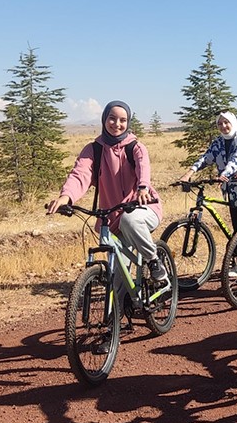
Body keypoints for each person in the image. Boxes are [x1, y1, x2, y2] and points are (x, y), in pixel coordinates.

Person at [46, 100, 169, 292]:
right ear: (104, 119)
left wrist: (142, 188)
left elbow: (143, 167)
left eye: (123, 120)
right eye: (112, 118)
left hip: (143, 207)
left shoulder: (135, 147)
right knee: (118, 282)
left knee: (130, 220)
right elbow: (80, 174)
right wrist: (66, 197)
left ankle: (153, 261)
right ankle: (116, 317)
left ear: (128, 122)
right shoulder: (94, 149)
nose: (117, 124)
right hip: (112, 216)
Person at [178, 111, 237, 279]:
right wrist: (189, 173)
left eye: (226, 123)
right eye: (220, 124)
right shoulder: (218, 142)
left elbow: (236, 161)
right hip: (231, 191)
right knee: (235, 228)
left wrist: (224, 174)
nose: (223, 126)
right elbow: (205, 158)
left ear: (233, 123)